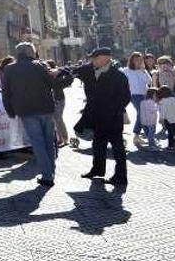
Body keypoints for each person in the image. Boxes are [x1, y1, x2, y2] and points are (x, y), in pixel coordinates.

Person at [2, 43, 58, 187]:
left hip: (27, 110)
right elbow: (54, 84)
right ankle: (50, 171)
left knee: (38, 143)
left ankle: (47, 175)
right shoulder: (39, 65)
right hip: (46, 108)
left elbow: (6, 93)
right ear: (30, 52)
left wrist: (10, 111)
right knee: (48, 142)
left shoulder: (9, 69)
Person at [74, 47, 131, 186]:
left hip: (112, 118)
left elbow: (126, 97)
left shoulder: (118, 76)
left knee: (117, 147)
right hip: (97, 117)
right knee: (98, 144)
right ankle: (97, 170)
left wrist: (114, 110)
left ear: (103, 59)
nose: (91, 61)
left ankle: (121, 176)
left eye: (94, 58)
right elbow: (73, 71)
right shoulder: (89, 71)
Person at [121, 52, 153, 147]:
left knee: (142, 114)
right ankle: (140, 135)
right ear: (132, 61)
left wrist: (143, 71)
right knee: (142, 113)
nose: (138, 62)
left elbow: (149, 82)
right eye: (136, 60)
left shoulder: (143, 70)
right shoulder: (126, 71)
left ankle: (141, 136)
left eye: (140, 60)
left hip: (144, 95)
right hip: (133, 95)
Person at [46, 60, 74, 147]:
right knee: (56, 119)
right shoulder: (49, 77)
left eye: (48, 68)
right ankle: (60, 138)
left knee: (58, 119)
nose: (48, 70)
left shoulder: (57, 76)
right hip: (56, 99)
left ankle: (64, 139)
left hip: (58, 99)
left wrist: (59, 70)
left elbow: (69, 75)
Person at [158, 86, 175, 151]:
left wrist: (161, 119)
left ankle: (171, 146)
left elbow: (163, 111)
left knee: (170, 133)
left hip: (168, 120)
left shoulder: (163, 101)